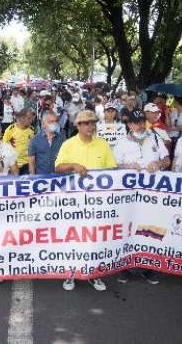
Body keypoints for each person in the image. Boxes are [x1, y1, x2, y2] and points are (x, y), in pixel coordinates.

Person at [55, 110, 115, 292]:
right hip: (73, 202)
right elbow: (57, 167)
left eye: (93, 123)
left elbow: (111, 169)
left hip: (97, 203)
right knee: (74, 237)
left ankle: (93, 274)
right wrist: (73, 165)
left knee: (94, 237)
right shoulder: (68, 144)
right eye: (86, 123)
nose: (91, 126)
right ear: (78, 126)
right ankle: (71, 272)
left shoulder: (103, 144)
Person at [113, 110, 170, 286]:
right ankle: (125, 268)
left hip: (152, 194)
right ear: (129, 125)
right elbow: (114, 166)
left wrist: (159, 163)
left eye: (142, 121)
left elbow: (167, 160)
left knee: (151, 229)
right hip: (129, 195)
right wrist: (126, 166)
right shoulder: (121, 143)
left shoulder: (155, 138)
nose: (140, 125)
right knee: (128, 228)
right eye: (136, 122)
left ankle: (149, 268)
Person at [2, 108, 35, 175]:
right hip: (13, 164)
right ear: (22, 118)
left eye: (31, 118)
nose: (31, 120)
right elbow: (3, 146)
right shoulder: (10, 129)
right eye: (29, 118)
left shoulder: (32, 130)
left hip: (27, 163)